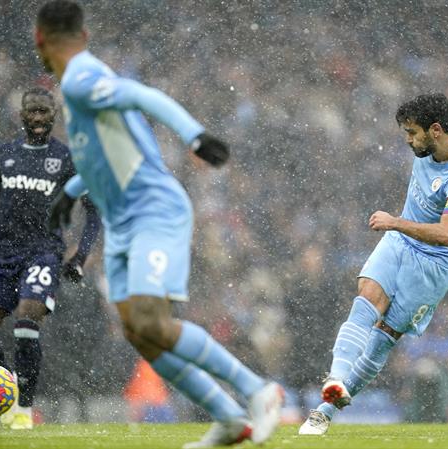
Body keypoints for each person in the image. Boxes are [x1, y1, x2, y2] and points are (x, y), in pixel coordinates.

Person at [35, 1, 283, 447]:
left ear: (40, 39)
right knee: (140, 334)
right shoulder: (79, 85)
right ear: (84, 36)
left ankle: (257, 390)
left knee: (152, 320)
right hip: (123, 222)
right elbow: (100, 157)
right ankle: (228, 418)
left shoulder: (79, 77)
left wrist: (194, 135)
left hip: (153, 210)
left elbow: (140, 94)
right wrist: (68, 195)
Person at [299, 93, 448, 434]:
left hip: (435, 263)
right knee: (368, 294)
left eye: (412, 133)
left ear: (435, 130)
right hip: (400, 242)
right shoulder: (433, 146)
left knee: (384, 336)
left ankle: (326, 410)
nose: (407, 140)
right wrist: (399, 227)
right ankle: (337, 378)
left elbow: (447, 234)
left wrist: (395, 221)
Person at [0, 86, 100, 430]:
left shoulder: (67, 159)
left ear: (54, 115)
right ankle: (7, 389)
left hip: (43, 253)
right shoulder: (4, 155)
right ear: (22, 115)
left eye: (44, 111)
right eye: (33, 111)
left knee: (26, 324)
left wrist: (80, 256)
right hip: (3, 255)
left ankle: (24, 409)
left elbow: (93, 210)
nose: (39, 117)